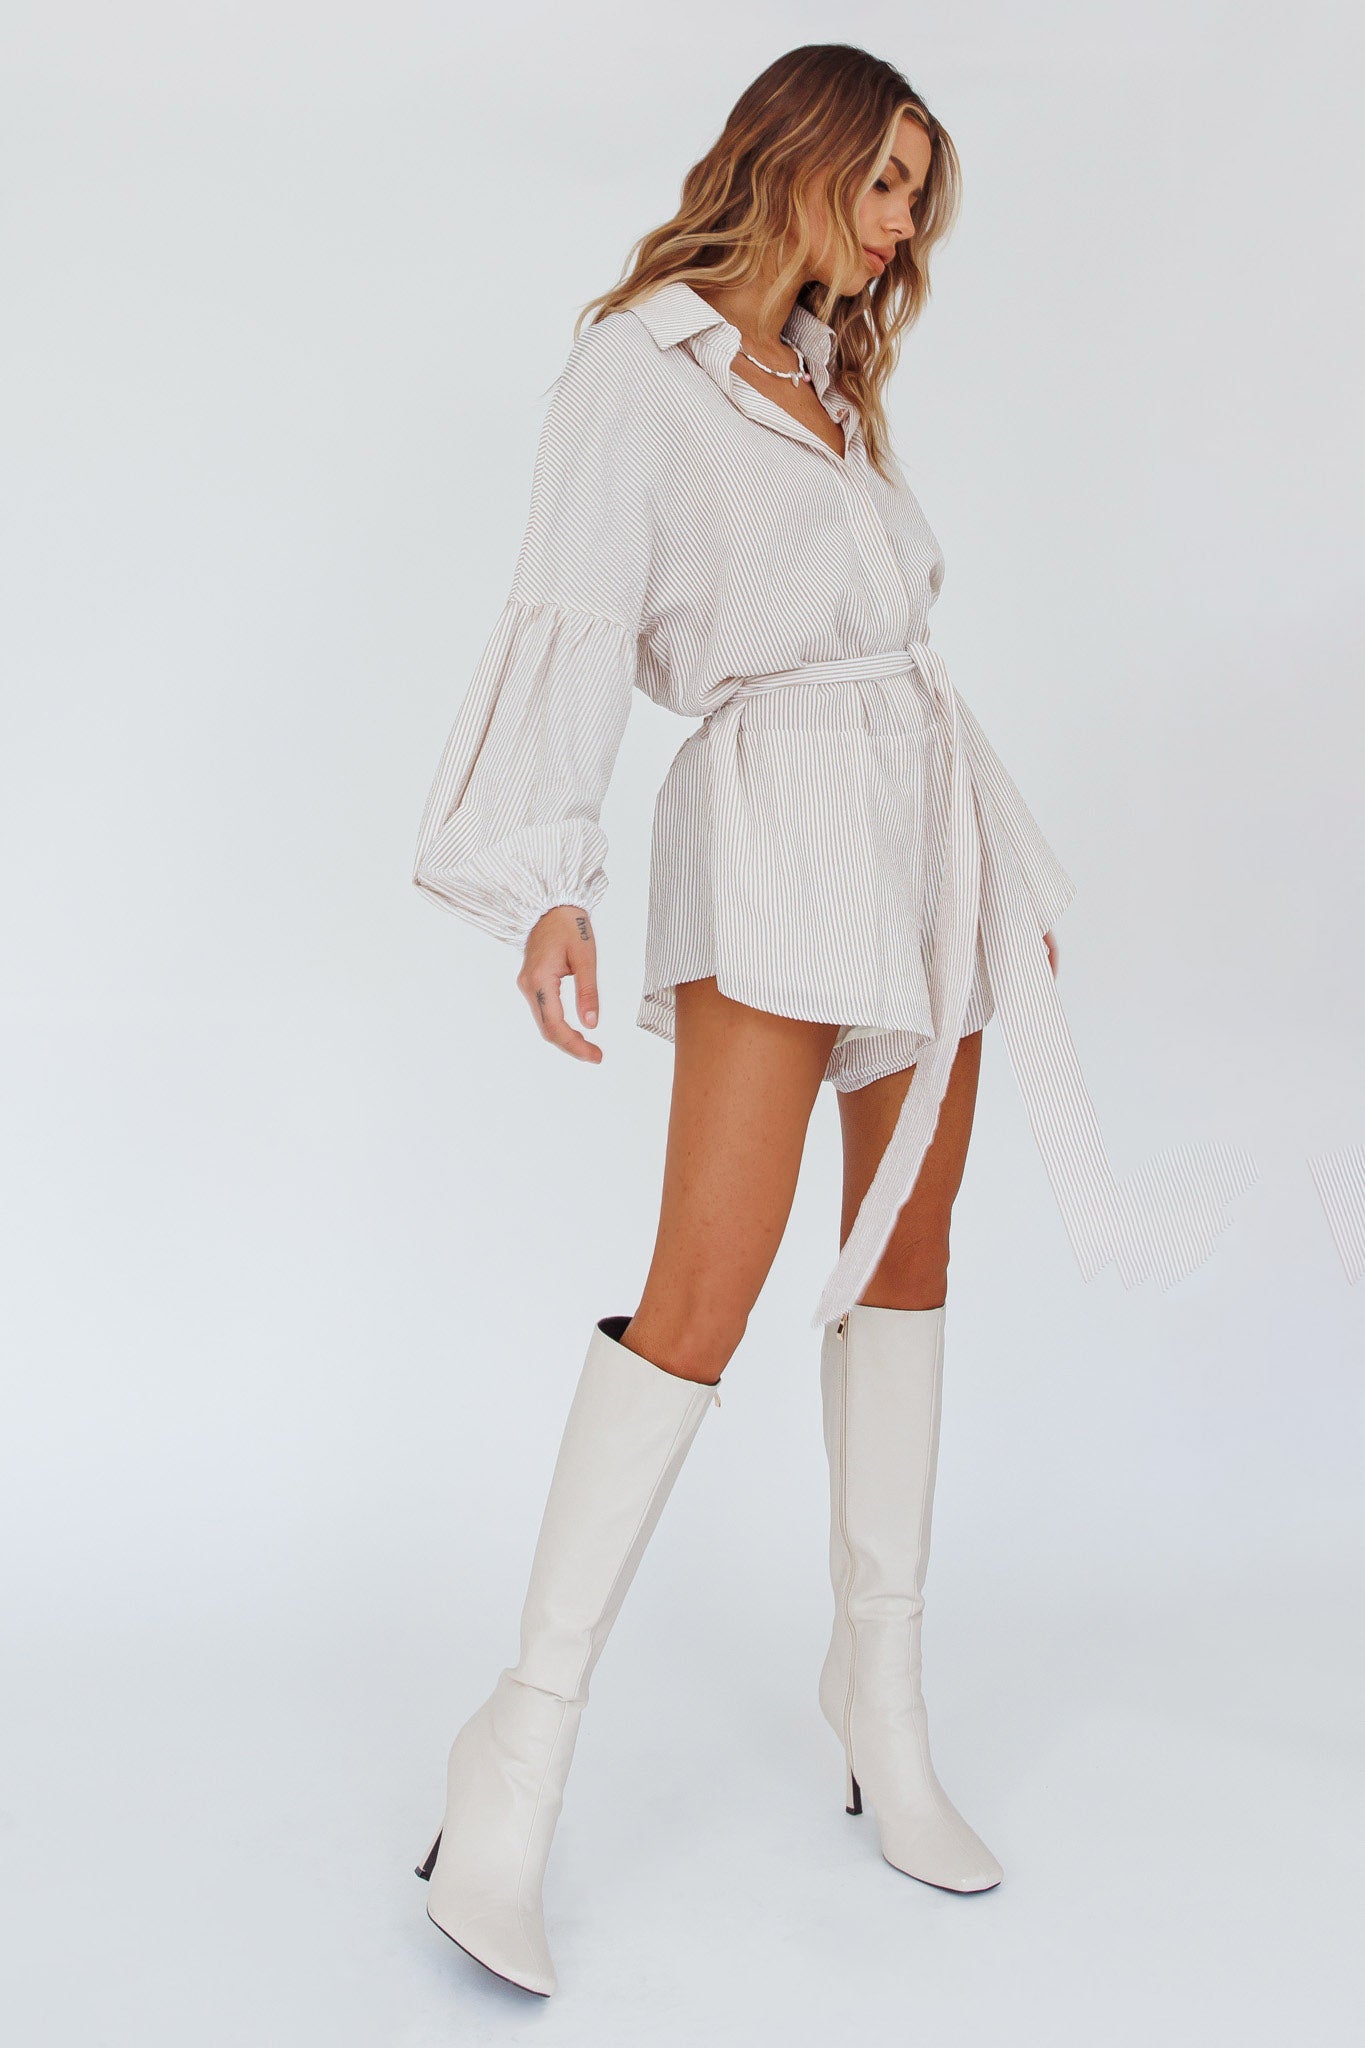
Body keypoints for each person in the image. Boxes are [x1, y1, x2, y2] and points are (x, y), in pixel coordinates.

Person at [408, 43, 1256, 1996]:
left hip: (915, 828)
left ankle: (879, 1694)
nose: (897, 227)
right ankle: (516, 1748)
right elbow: (570, 613)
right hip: (769, 823)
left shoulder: (827, 377)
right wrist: (547, 879)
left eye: (914, 198)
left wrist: (990, 878)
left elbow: (895, 655)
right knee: (701, 1284)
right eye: (880, 182)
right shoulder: (638, 370)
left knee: (910, 1251)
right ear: (790, 154)